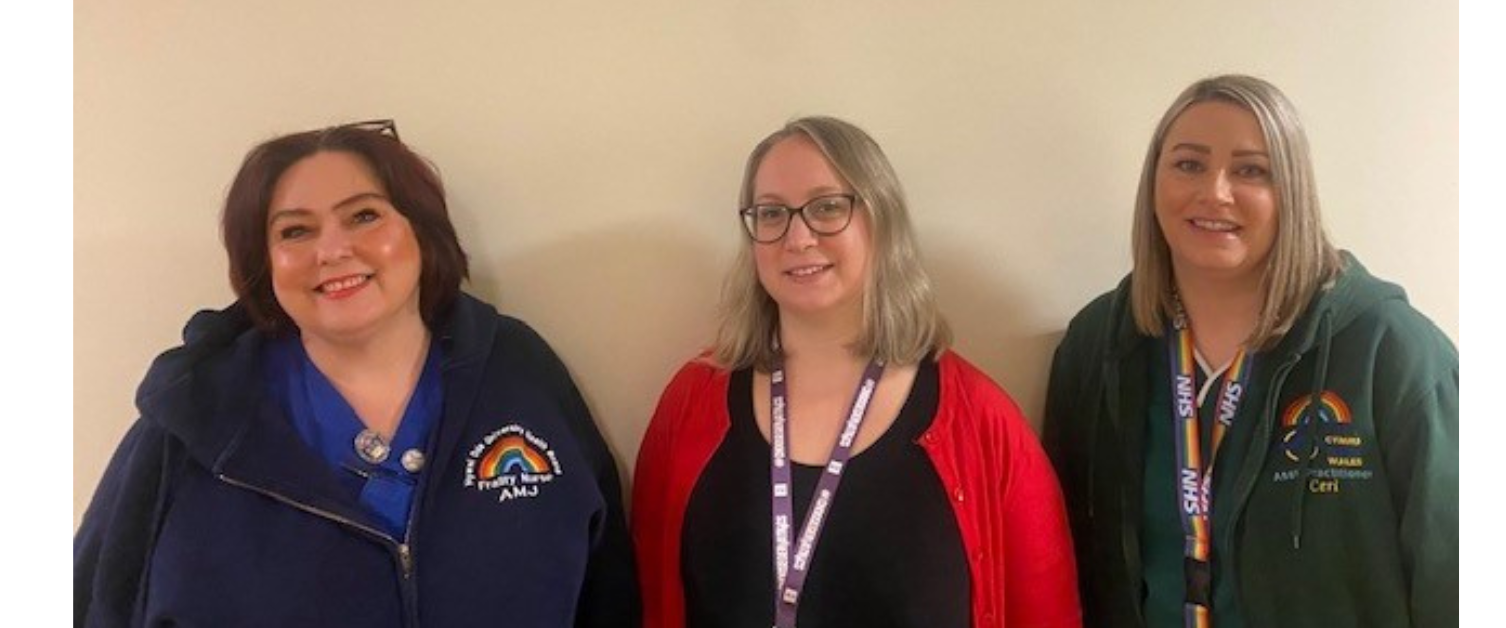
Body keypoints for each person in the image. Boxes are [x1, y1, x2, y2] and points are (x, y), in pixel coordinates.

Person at [74, 120, 640, 627]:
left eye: (363, 215)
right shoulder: (197, 413)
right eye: (295, 231)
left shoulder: (520, 375)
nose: (333, 249)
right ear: (263, 262)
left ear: (420, 230)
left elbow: (608, 585)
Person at [632, 116, 1081, 628]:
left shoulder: (982, 423)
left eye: (827, 208)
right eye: (772, 213)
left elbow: (1048, 613)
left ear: (881, 221)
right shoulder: (691, 402)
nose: (797, 237)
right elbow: (647, 597)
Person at [1043, 75, 1458, 628]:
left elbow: (1458, 580)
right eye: (1189, 164)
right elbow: (1063, 559)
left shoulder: (1393, 352)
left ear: (1292, 191)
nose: (1215, 192)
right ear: (1153, 184)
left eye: (1251, 170)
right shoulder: (1098, 346)